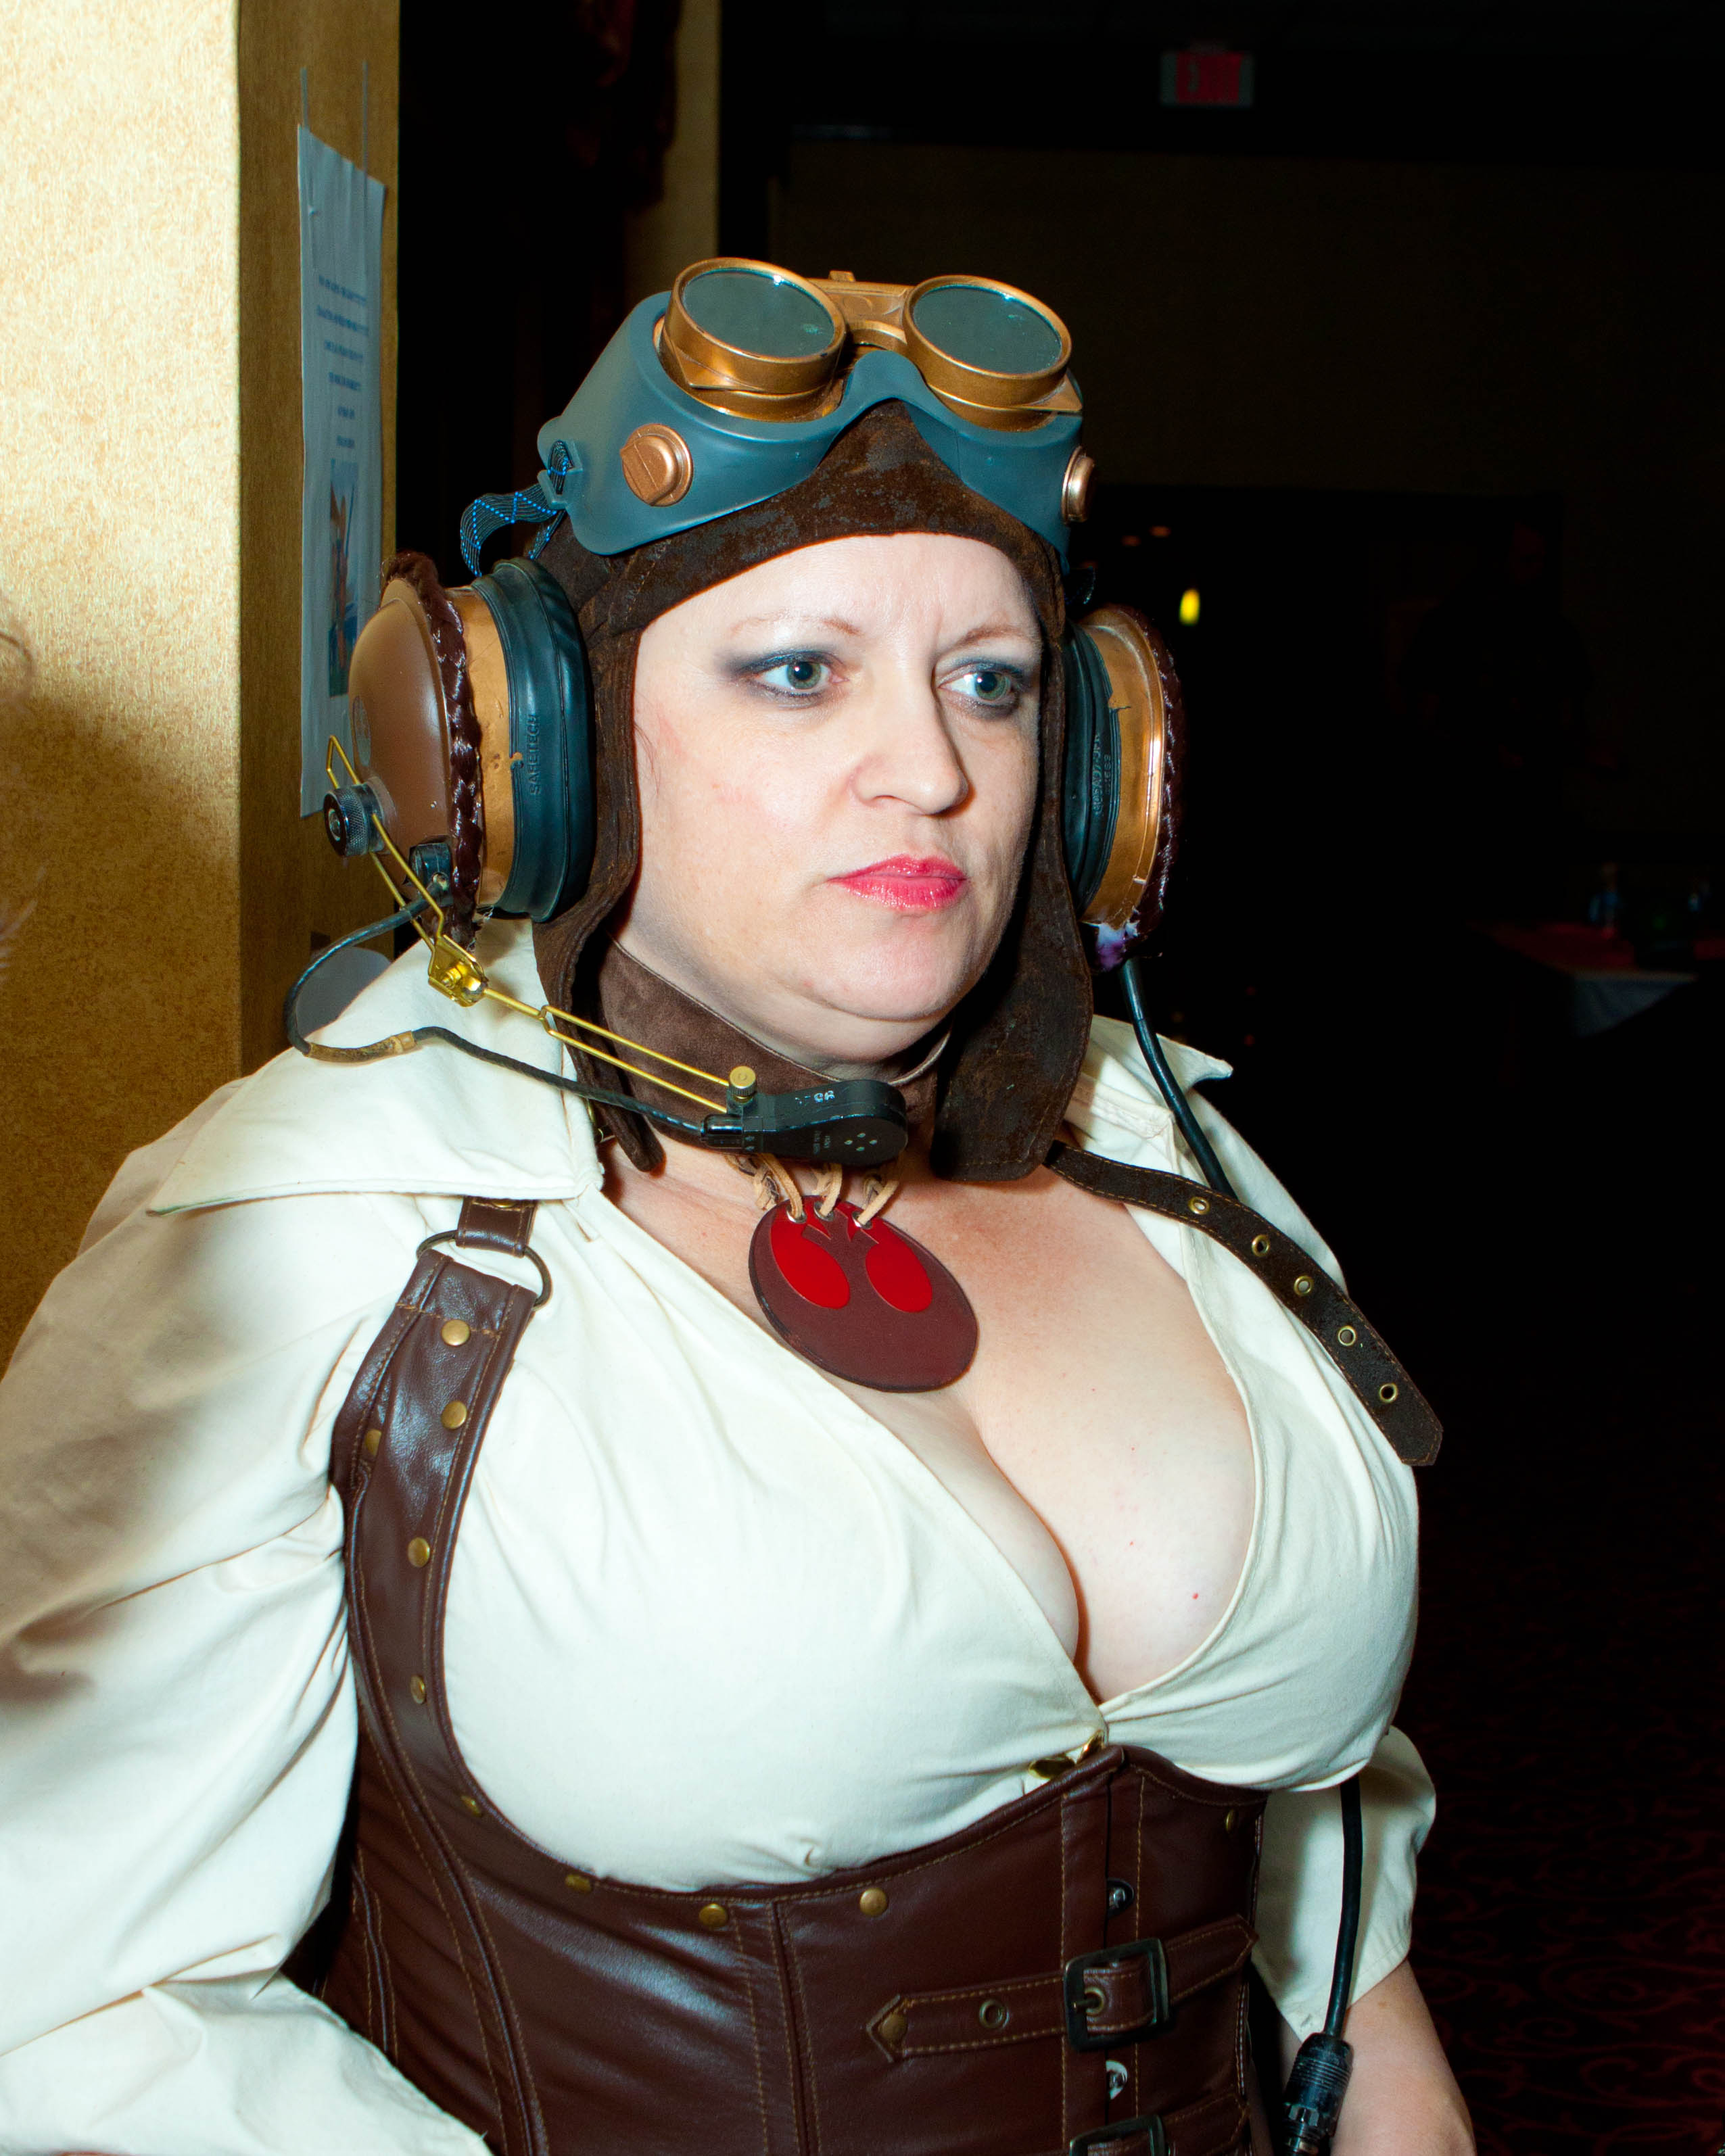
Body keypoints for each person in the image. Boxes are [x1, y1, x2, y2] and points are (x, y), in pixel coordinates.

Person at [0, 264, 1473, 2155]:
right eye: (797, 672)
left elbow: (1339, 1902)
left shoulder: (1175, 1158)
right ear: (549, 737)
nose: (931, 769)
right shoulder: (320, 1228)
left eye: (992, 683)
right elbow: (78, 2002)